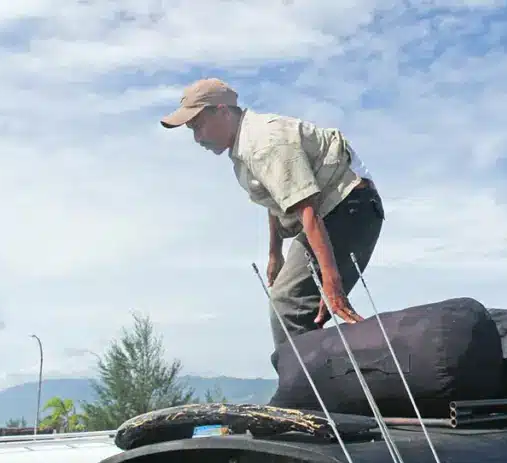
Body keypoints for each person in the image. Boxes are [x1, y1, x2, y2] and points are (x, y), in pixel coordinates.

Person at [160, 78, 385, 347]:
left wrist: (331, 279)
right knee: (293, 303)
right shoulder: (245, 146)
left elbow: (307, 207)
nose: (197, 138)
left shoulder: (263, 143)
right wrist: (274, 253)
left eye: (198, 125)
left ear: (221, 111)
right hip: (333, 211)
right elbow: (279, 197)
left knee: (289, 302)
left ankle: (308, 385)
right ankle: (314, 379)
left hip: (349, 205)